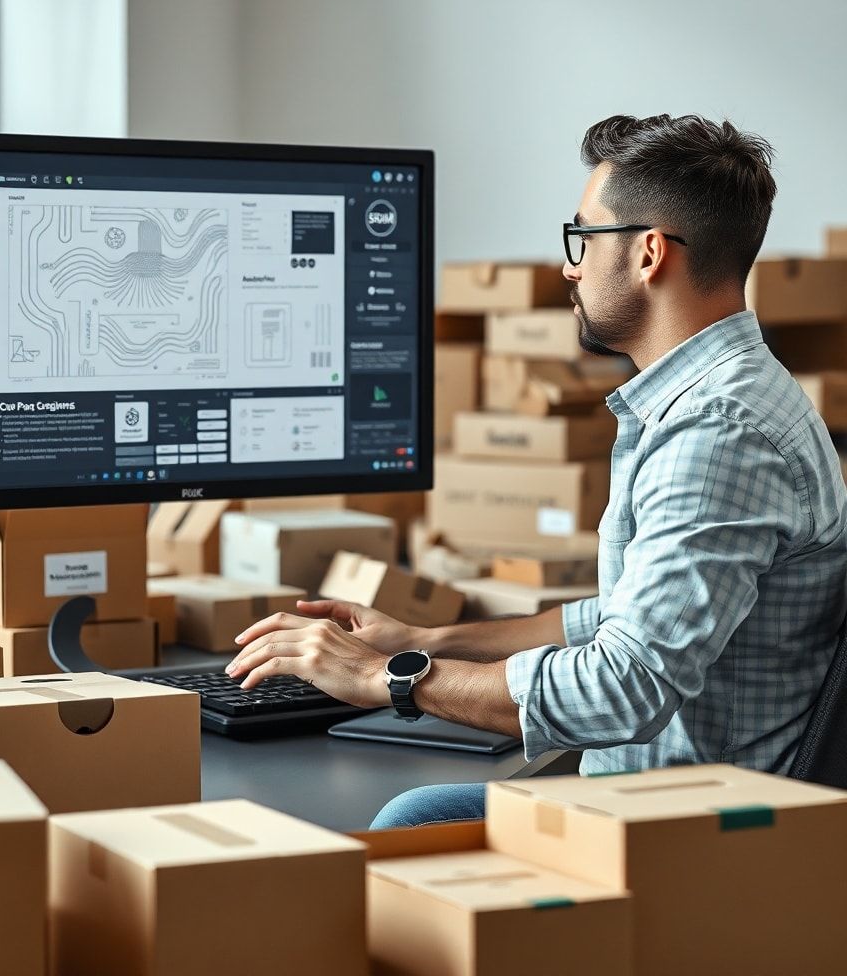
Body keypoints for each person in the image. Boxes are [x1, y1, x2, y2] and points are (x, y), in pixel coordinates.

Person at [227, 114, 847, 829]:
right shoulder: (718, 400)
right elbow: (623, 617)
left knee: (405, 824)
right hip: (652, 801)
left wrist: (382, 677)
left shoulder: (718, 431)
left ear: (648, 254)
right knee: (413, 812)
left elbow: (623, 689)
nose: (569, 265)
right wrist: (427, 643)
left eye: (583, 237)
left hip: (690, 835)